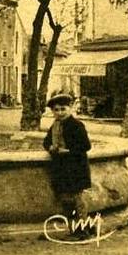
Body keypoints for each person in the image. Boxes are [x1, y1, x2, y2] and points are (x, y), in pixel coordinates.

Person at [42, 90, 92, 239]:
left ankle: (82, 229)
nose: (60, 112)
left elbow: (86, 146)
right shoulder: (55, 126)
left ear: (70, 108)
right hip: (61, 168)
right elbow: (46, 141)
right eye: (56, 110)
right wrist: (50, 147)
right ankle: (74, 229)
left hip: (75, 167)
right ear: (52, 111)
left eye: (63, 109)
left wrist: (69, 151)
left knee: (77, 200)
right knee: (66, 200)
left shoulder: (77, 125)